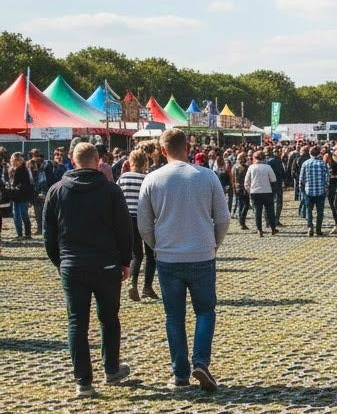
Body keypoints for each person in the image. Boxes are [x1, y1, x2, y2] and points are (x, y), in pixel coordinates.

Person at [138, 128, 231, 390]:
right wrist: (214, 244)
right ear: (188, 148)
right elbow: (223, 219)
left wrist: (157, 247)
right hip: (202, 254)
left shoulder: (152, 179)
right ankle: (201, 361)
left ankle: (180, 374)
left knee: (174, 317)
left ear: (163, 150)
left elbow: (144, 224)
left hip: (168, 257)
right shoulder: (207, 176)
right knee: (205, 311)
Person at [42, 142, 133, 396]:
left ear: (72, 160)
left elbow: (49, 235)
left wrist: (59, 262)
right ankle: (111, 369)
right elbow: (124, 230)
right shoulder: (111, 191)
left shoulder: (56, 191)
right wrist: (126, 261)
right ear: (97, 161)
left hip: (73, 265)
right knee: (109, 319)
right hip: (106, 265)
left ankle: (83, 381)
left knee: (77, 324)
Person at [118, 147, 158, 301]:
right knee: (151, 255)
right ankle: (147, 287)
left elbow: (118, 197)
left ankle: (133, 283)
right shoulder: (148, 178)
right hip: (146, 219)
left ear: (130, 161)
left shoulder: (123, 178)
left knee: (136, 254)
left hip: (128, 219)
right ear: (145, 162)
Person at [244, 151, 279, 237]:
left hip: (255, 192)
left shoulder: (251, 168)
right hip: (267, 191)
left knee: (257, 212)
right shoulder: (267, 167)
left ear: (254, 158)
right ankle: (273, 228)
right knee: (270, 211)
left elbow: (246, 182)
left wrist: (249, 190)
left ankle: (259, 230)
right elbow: (273, 179)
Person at [299, 145, 331, 237]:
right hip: (320, 191)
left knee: (309, 211)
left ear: (310, 153)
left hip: (308, 190)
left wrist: (302, 188)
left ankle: (310, 227)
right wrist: (326, 187)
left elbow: (301, 178)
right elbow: (327, 177)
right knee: (320, 212)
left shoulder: (305, 163)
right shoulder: (322, 164)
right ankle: (318, 229)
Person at [8, 152, 34, 240]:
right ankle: (19, 234)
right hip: (16, 196)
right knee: (16, 215)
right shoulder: (12, 169)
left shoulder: (24, 169)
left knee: (23, 214)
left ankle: (27, 234)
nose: (13, 161)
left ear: (19, 160)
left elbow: (28, 184)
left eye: (15, 160)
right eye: (13, 160)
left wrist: (15, 186)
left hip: (23, 196)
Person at [231, 153, 250, 230]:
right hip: (242, 188)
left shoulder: (234, 167)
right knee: (246, 205)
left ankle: (241, 221)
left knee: (241, 204)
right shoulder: (243, 167)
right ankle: (242, 220)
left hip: (237, 187)